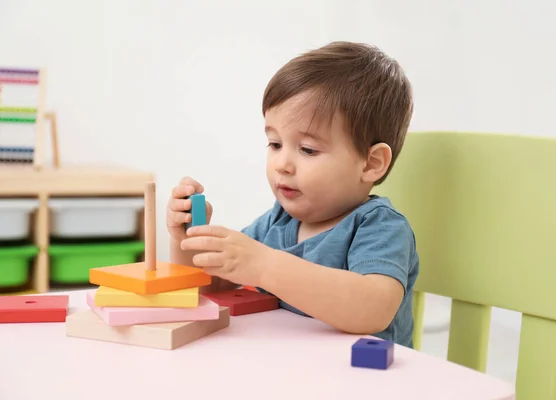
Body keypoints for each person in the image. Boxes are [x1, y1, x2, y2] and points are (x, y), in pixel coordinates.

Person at [166, 41, 419, 348]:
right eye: (274, 144)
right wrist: (187, 241)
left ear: (371, 163)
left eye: (308, 149)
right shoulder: (278, 222)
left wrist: (265, 266)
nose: (282, 164)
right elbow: (210, 289)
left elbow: (374, 309)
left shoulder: (379, 227)